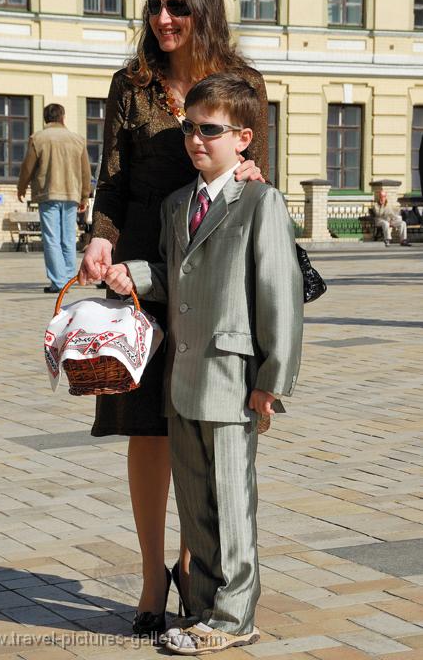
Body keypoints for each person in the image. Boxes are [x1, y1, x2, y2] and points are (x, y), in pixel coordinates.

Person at [78, 0, 269, 636]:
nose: (162, 18)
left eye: (175, 6)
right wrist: (99, 240)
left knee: (197, 427)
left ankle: (195, 567)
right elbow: (113, 179)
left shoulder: (241, 83)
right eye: (154, 5)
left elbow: (253, 175)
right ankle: (150, 573)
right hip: (137, 277)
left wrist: (246, 167)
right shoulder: (129, 85)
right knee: (146, 430)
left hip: (207, 274)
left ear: (202, 8)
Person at [103, 73, 303, 654]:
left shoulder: (261, 202)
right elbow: (172, 276)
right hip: (183, 379)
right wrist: (132, 273)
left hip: (234, 377)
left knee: (232, 502)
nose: (195, 139)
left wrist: (272, 380)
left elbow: (279, 294)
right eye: (189, 128)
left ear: (243, 139)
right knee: (196, 501)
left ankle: (236, 618)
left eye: (209, 130)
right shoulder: (176, 205)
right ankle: (203, 608)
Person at [18, 104, 91, 292]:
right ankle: (67, 278)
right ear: (63, 117)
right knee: (67, 238)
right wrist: (84, 196)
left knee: (51, 238)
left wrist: (21, 187)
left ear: (45, 118)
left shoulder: (38, 138)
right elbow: (85, 171)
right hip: (71, 194)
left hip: (48, 192)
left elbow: (28, 167)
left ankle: (58, 282)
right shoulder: (77, 140)